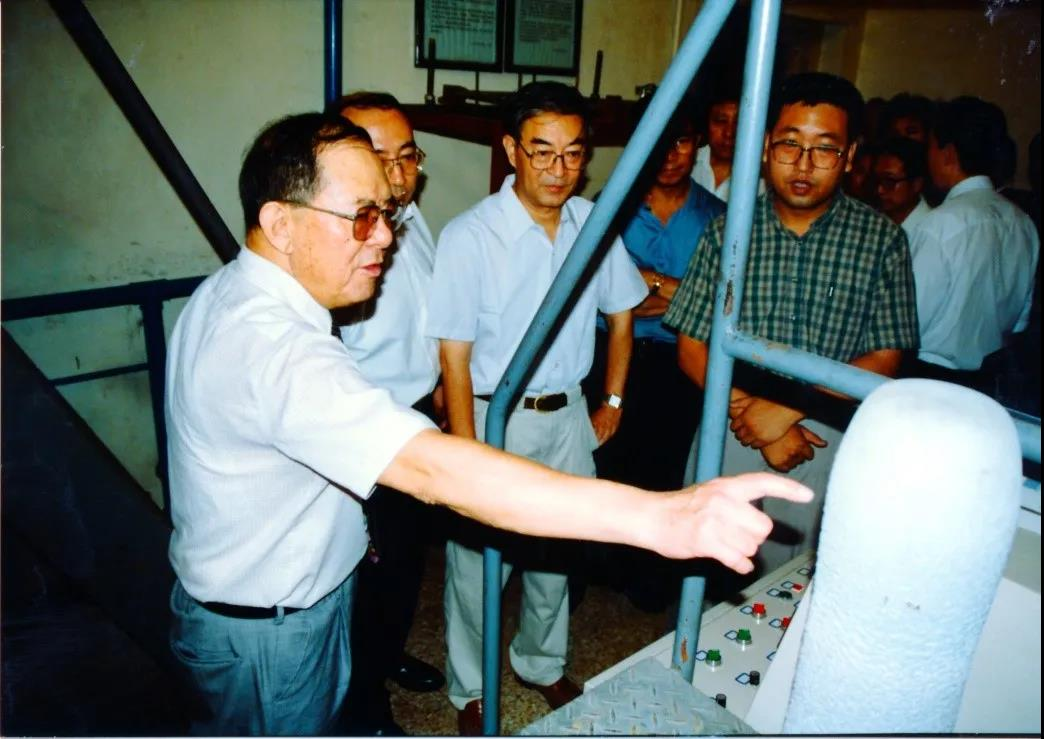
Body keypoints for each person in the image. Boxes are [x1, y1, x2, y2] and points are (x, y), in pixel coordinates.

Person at [166, 111, 812, 736]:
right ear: (280, 223)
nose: (384, 236)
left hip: (282, 608)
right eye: (362, 216)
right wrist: (661, 516)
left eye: (385, 213)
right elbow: (434, 469)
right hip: (269, 633)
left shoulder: (240, 293)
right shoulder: (274, 347)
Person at [425, 81, 648, 734]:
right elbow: (454, 354)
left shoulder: (591, 225)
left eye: (573, 153)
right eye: (542, 151)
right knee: (478, 567)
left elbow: (623, 314)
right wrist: (467, 450)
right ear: (511, 149)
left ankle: (540, 661)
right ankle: (471, 687)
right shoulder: (472, 235)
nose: (559, 168)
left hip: (568, 416)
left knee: (560, 552)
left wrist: (611, 399)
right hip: (496, 417)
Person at [665, 72, 919, 574]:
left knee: (808, 578)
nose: (803, 165)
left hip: (828, 435)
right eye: (789, 144)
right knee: (707, 570)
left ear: (850, 155)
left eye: (824, 149)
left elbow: (885, 360)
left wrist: (785, 410)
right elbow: (692, 347)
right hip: (730, 423)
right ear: (765, 147)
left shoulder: (882, 241)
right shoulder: (725, 233)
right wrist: (754, 420)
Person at [325, 91, 443, 735]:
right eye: (380, 159)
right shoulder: (334, 242)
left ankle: (386, 657)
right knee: (364, 580)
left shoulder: (412, 220)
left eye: (408, 157)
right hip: (365, 432)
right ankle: (363, 708)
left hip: (417, 416)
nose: (397, 175)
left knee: (403, 568)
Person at [583, 96, 725, 611]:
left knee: (664, 468)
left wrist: (653, 282)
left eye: (681, 141)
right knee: (603, 462)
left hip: (677, 357)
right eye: (658, 143)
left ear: (697, 144)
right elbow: (598, 292)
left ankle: (648, 580)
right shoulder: (610, 205)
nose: (669, 155)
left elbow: (719, 300)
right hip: (609, 350)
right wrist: (671, 293)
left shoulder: (717, 217)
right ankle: (595, 571)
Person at [904, 96, 1039, 393]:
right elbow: (1019, 322)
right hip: (987, 384)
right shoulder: (1023, 223)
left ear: (948, 153)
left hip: (928, 379)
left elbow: (908, 322)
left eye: (930, 147)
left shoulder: (940, 224)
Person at [692, 85, 765, 202]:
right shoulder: (685, 165)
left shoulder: (762, 182)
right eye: (721, 121)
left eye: (739, 122)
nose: (729, 133)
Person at [874, 136, 932, 237]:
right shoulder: (876, 221)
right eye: (876, 180)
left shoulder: (930, 230)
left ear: (916, 184)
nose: (880, 190)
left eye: (889, 182)